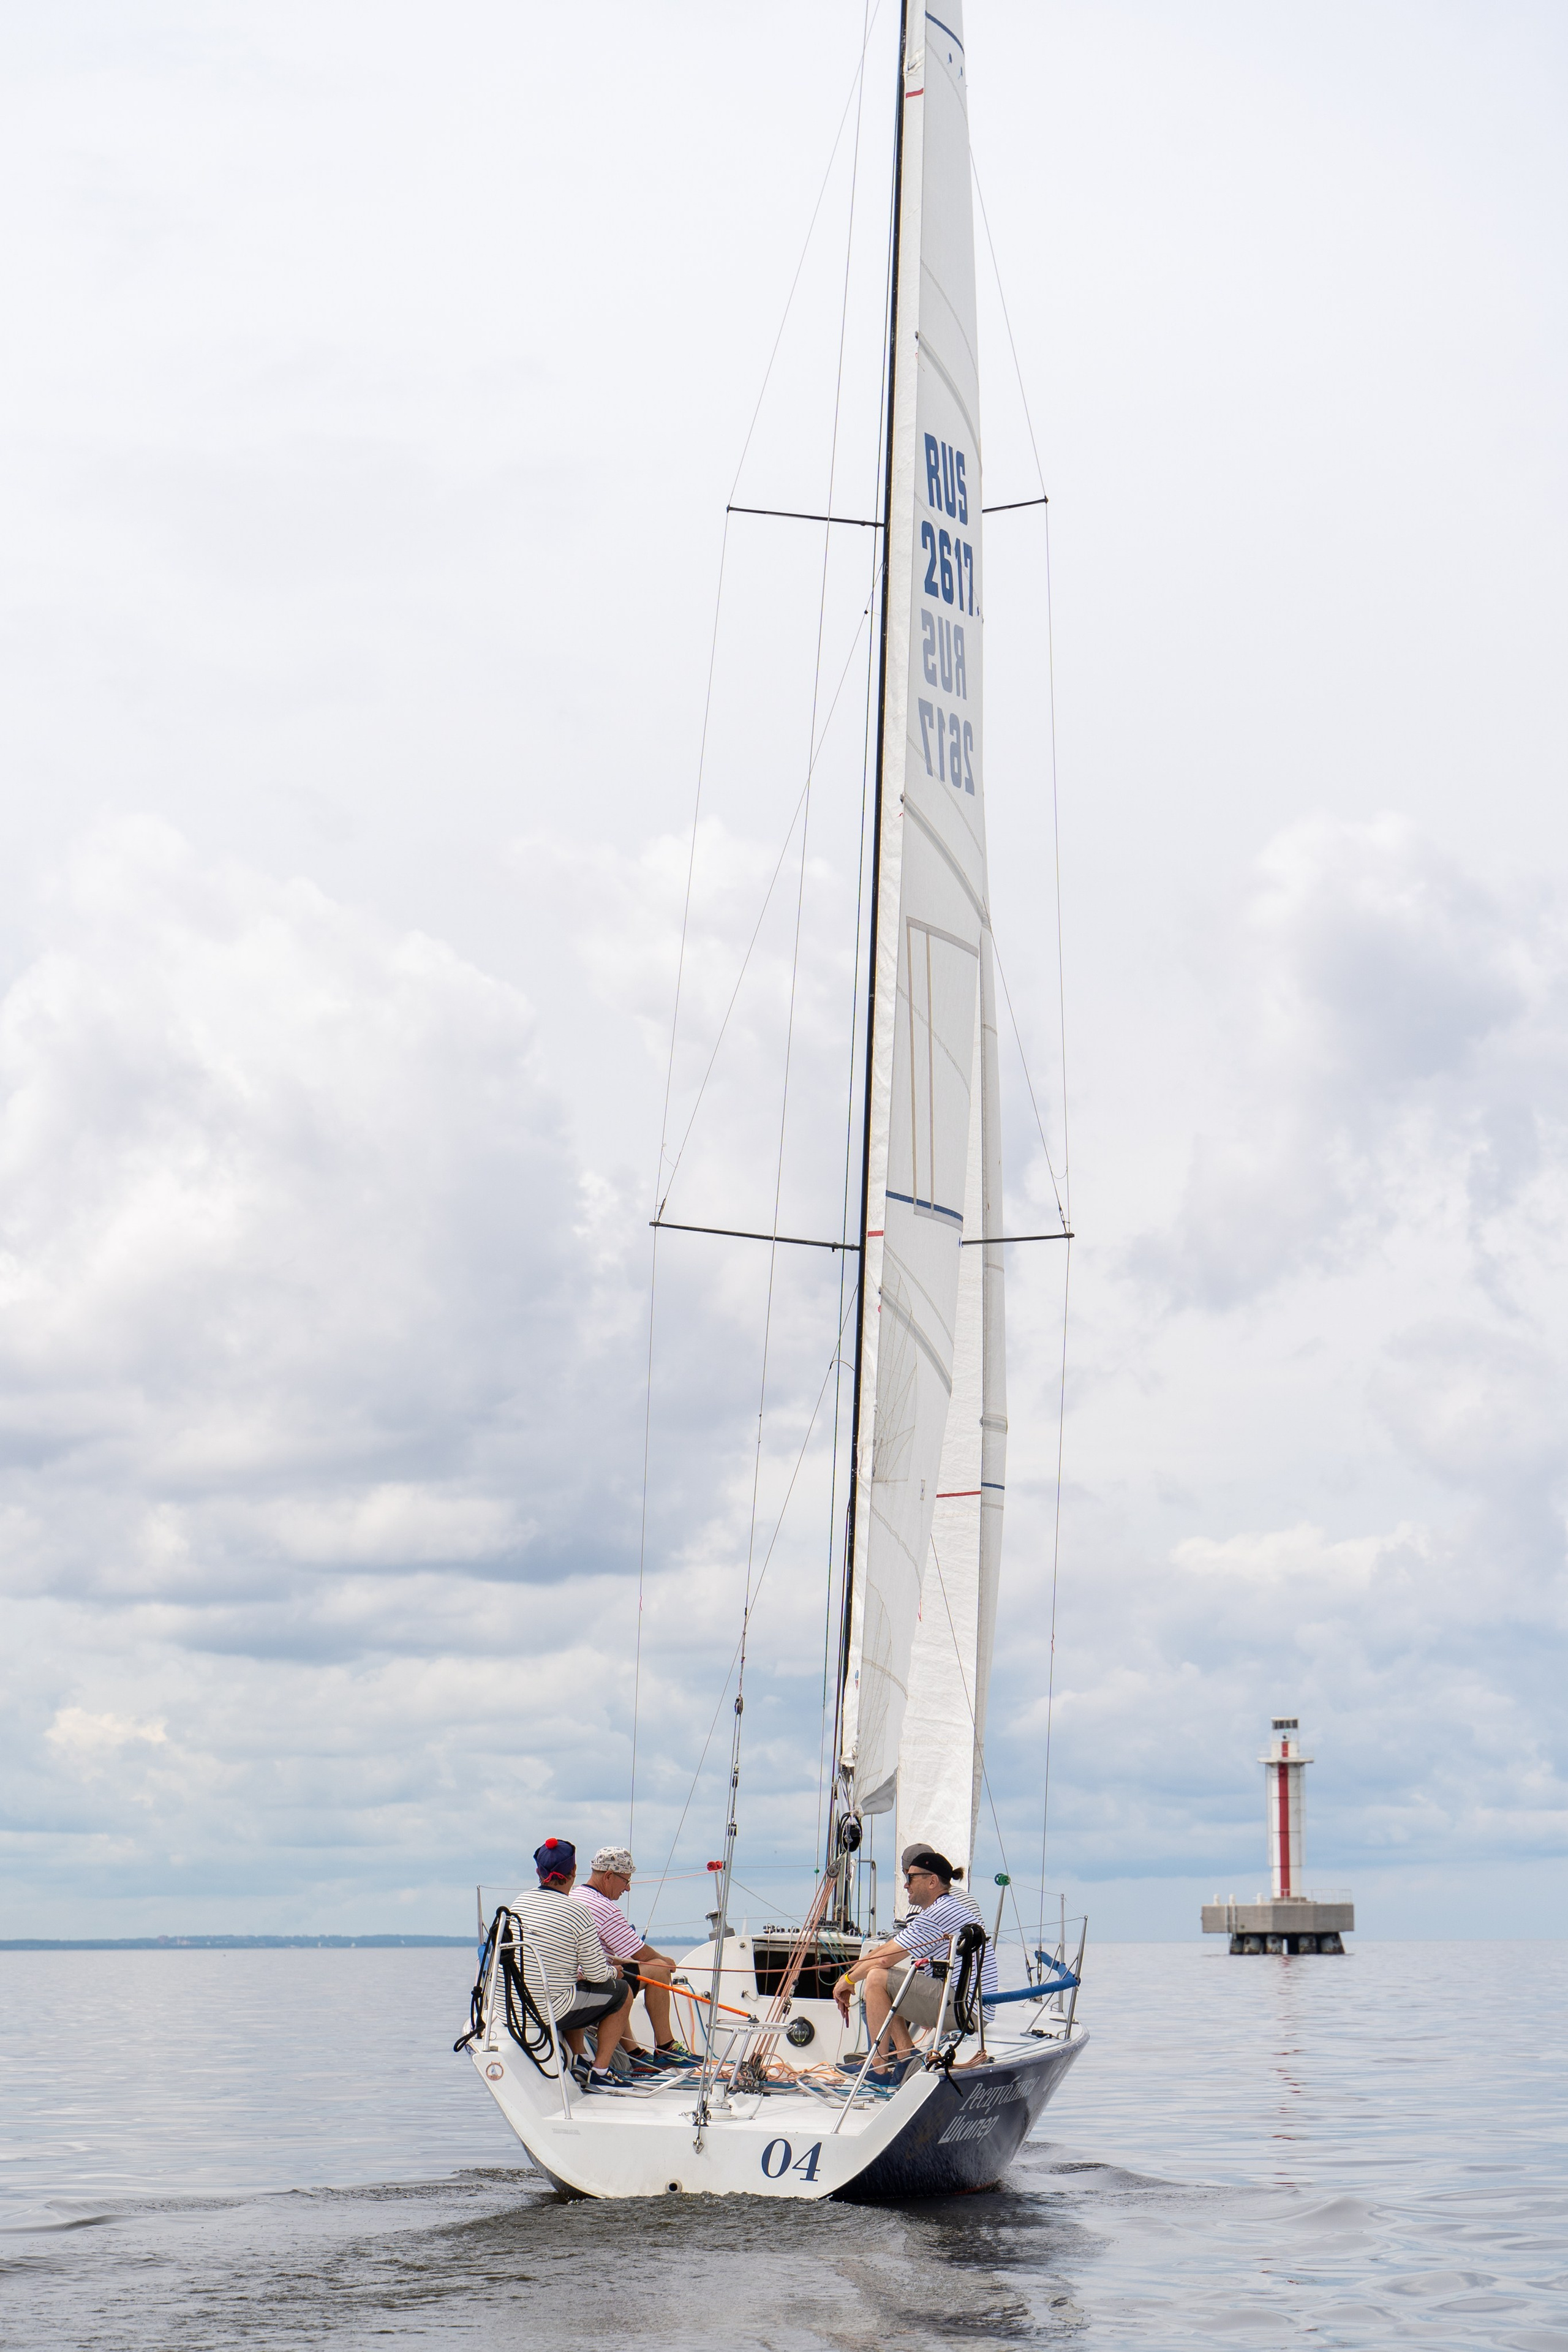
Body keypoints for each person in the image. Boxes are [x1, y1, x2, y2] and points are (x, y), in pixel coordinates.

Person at [832, 1845, 999, 2075]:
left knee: (877, 1979)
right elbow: (885, 1951)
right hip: (970, 2005)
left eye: (910, 1877)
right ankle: (903, 2058)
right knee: (891, 1980)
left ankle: (878, 2070)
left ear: (932, 1882)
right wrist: (850, 1977)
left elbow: (883, 1959)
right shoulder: (945, 1908)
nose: (905, 1884)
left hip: (968, 2011)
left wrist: (848, 1979)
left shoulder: (937, 1913)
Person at [511, 1837, 637, 2090]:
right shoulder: (577, 1912)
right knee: (622, 1993)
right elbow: (597, 1973)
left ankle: (580, 2057)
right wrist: (616, 1971)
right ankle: (600, 2072)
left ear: (539, 1873)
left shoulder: (519, 1903)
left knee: (575, 1985)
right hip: (549, 2009)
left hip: (516, 2006)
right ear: (574, 1872)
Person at [574, 1846, 690, 2065]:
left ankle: (635, 2054)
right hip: (590, 1982)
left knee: (621, 1976)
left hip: (577, 1978)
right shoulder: (605, 1908)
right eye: (626, 1881)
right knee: (658, 1969)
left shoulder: (575, 1895)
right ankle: (666, 2047)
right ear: (609, 1876)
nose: (627, 1889)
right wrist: (666, 1961)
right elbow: (640, 1954)